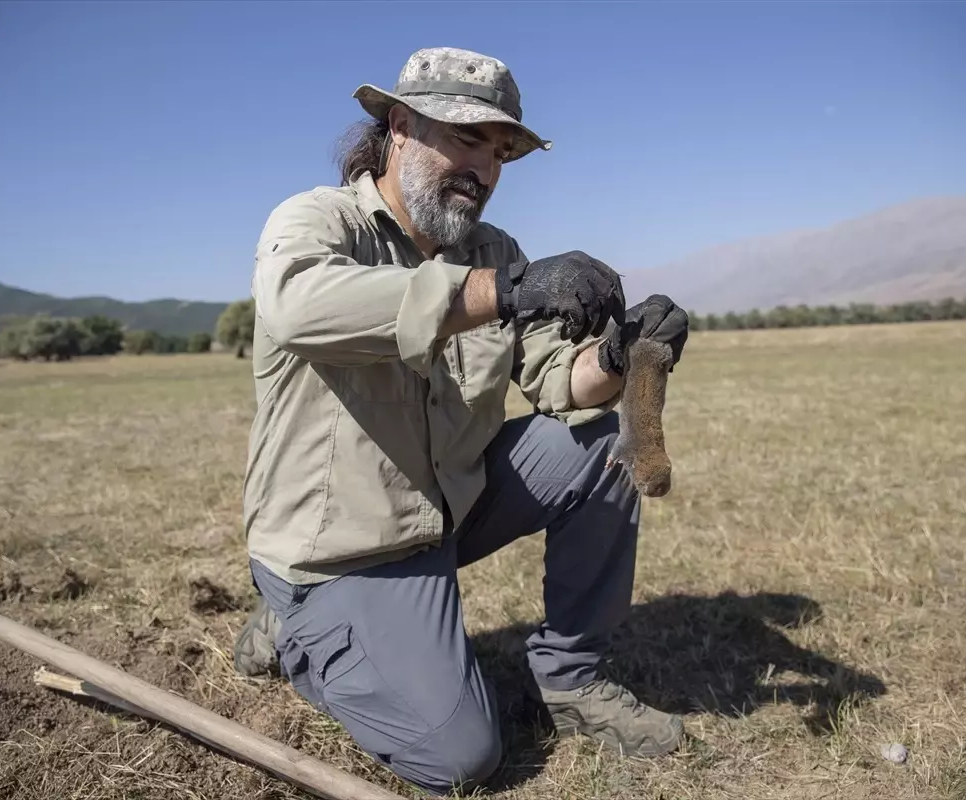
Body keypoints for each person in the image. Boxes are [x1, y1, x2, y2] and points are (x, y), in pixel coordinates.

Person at [233, 46, 691, 796]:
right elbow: (297, 307)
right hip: (341, 549)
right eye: (467, 138)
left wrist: (619, 353)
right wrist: (501, 291)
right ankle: (301, 634)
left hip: (446, 511)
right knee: (461, 758)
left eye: (501, 150)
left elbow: (556, 381)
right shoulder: (319, 222)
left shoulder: (494, 251)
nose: (485, 167)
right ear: (401, 127)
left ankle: (570, 683)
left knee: (600, 443)